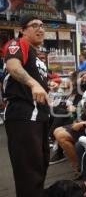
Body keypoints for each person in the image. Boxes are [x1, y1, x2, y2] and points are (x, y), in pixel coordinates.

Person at [2, 14, 49, 197]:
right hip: (23, 115)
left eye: (42, 25)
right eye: (34, 25)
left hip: (39, 116)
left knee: (40, 165)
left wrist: (47, 85)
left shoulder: (37, 55)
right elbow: (13, 66)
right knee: (28, 172)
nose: (40, 29)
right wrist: (34, 83)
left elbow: (39, 83)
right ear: (22, 30)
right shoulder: (18, 43)